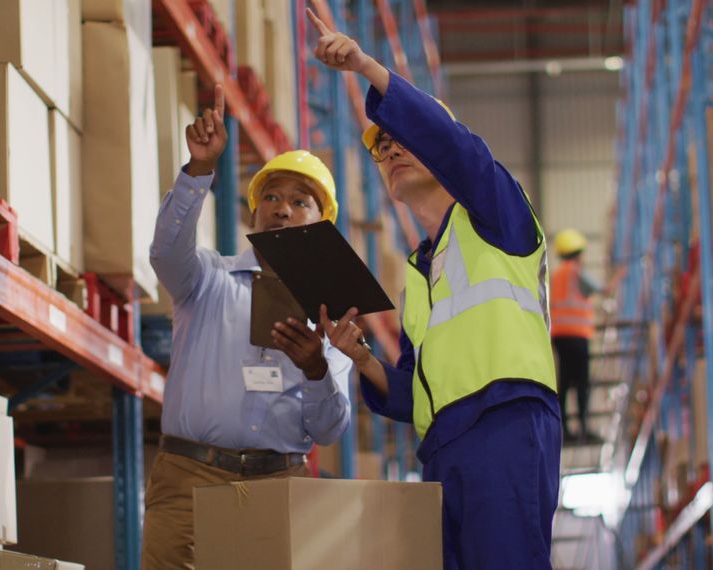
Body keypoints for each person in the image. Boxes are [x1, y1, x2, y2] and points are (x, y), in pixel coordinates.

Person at [307, 9, 561, 569]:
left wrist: (367, 68)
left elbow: (461, 150)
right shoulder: (418, 277)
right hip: (443, 446)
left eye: (403, 140)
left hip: (506, 423)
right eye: (382, 147)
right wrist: (362, 359)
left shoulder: (497, 217)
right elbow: (411, 393)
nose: (390, 151)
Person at [143, 85, 354, 570]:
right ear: (254, 213)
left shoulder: (331, 320)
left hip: (279, 485)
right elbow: (164, 252)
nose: (282, 208)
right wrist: (199, 170)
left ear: (323, 223)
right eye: (272, 198)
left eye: (301, 201)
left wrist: (316, 369)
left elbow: (328, 431)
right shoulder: (205, 280)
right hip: (188, 481)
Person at [550, 228, 601, 444]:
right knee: (582, 383)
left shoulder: (557, 274)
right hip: (577, 335)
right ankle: (582, 428)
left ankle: (564, 430)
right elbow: (600, 288)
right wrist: (620, 275)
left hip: (559, 335)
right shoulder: (576, 272)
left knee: (565, 382)